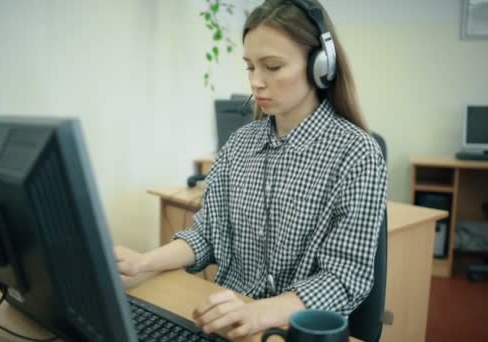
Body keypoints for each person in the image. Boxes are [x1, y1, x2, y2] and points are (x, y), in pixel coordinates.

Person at [115, 0, 387, 339]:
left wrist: (260, 312)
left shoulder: (357, 153)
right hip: (228, 322)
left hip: (291, 330)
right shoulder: (240, 143)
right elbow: (207, 236)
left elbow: (344, 278)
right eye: (250, 67)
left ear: (321, 66)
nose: (256, 82)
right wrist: (143, 263)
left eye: (272, 67)